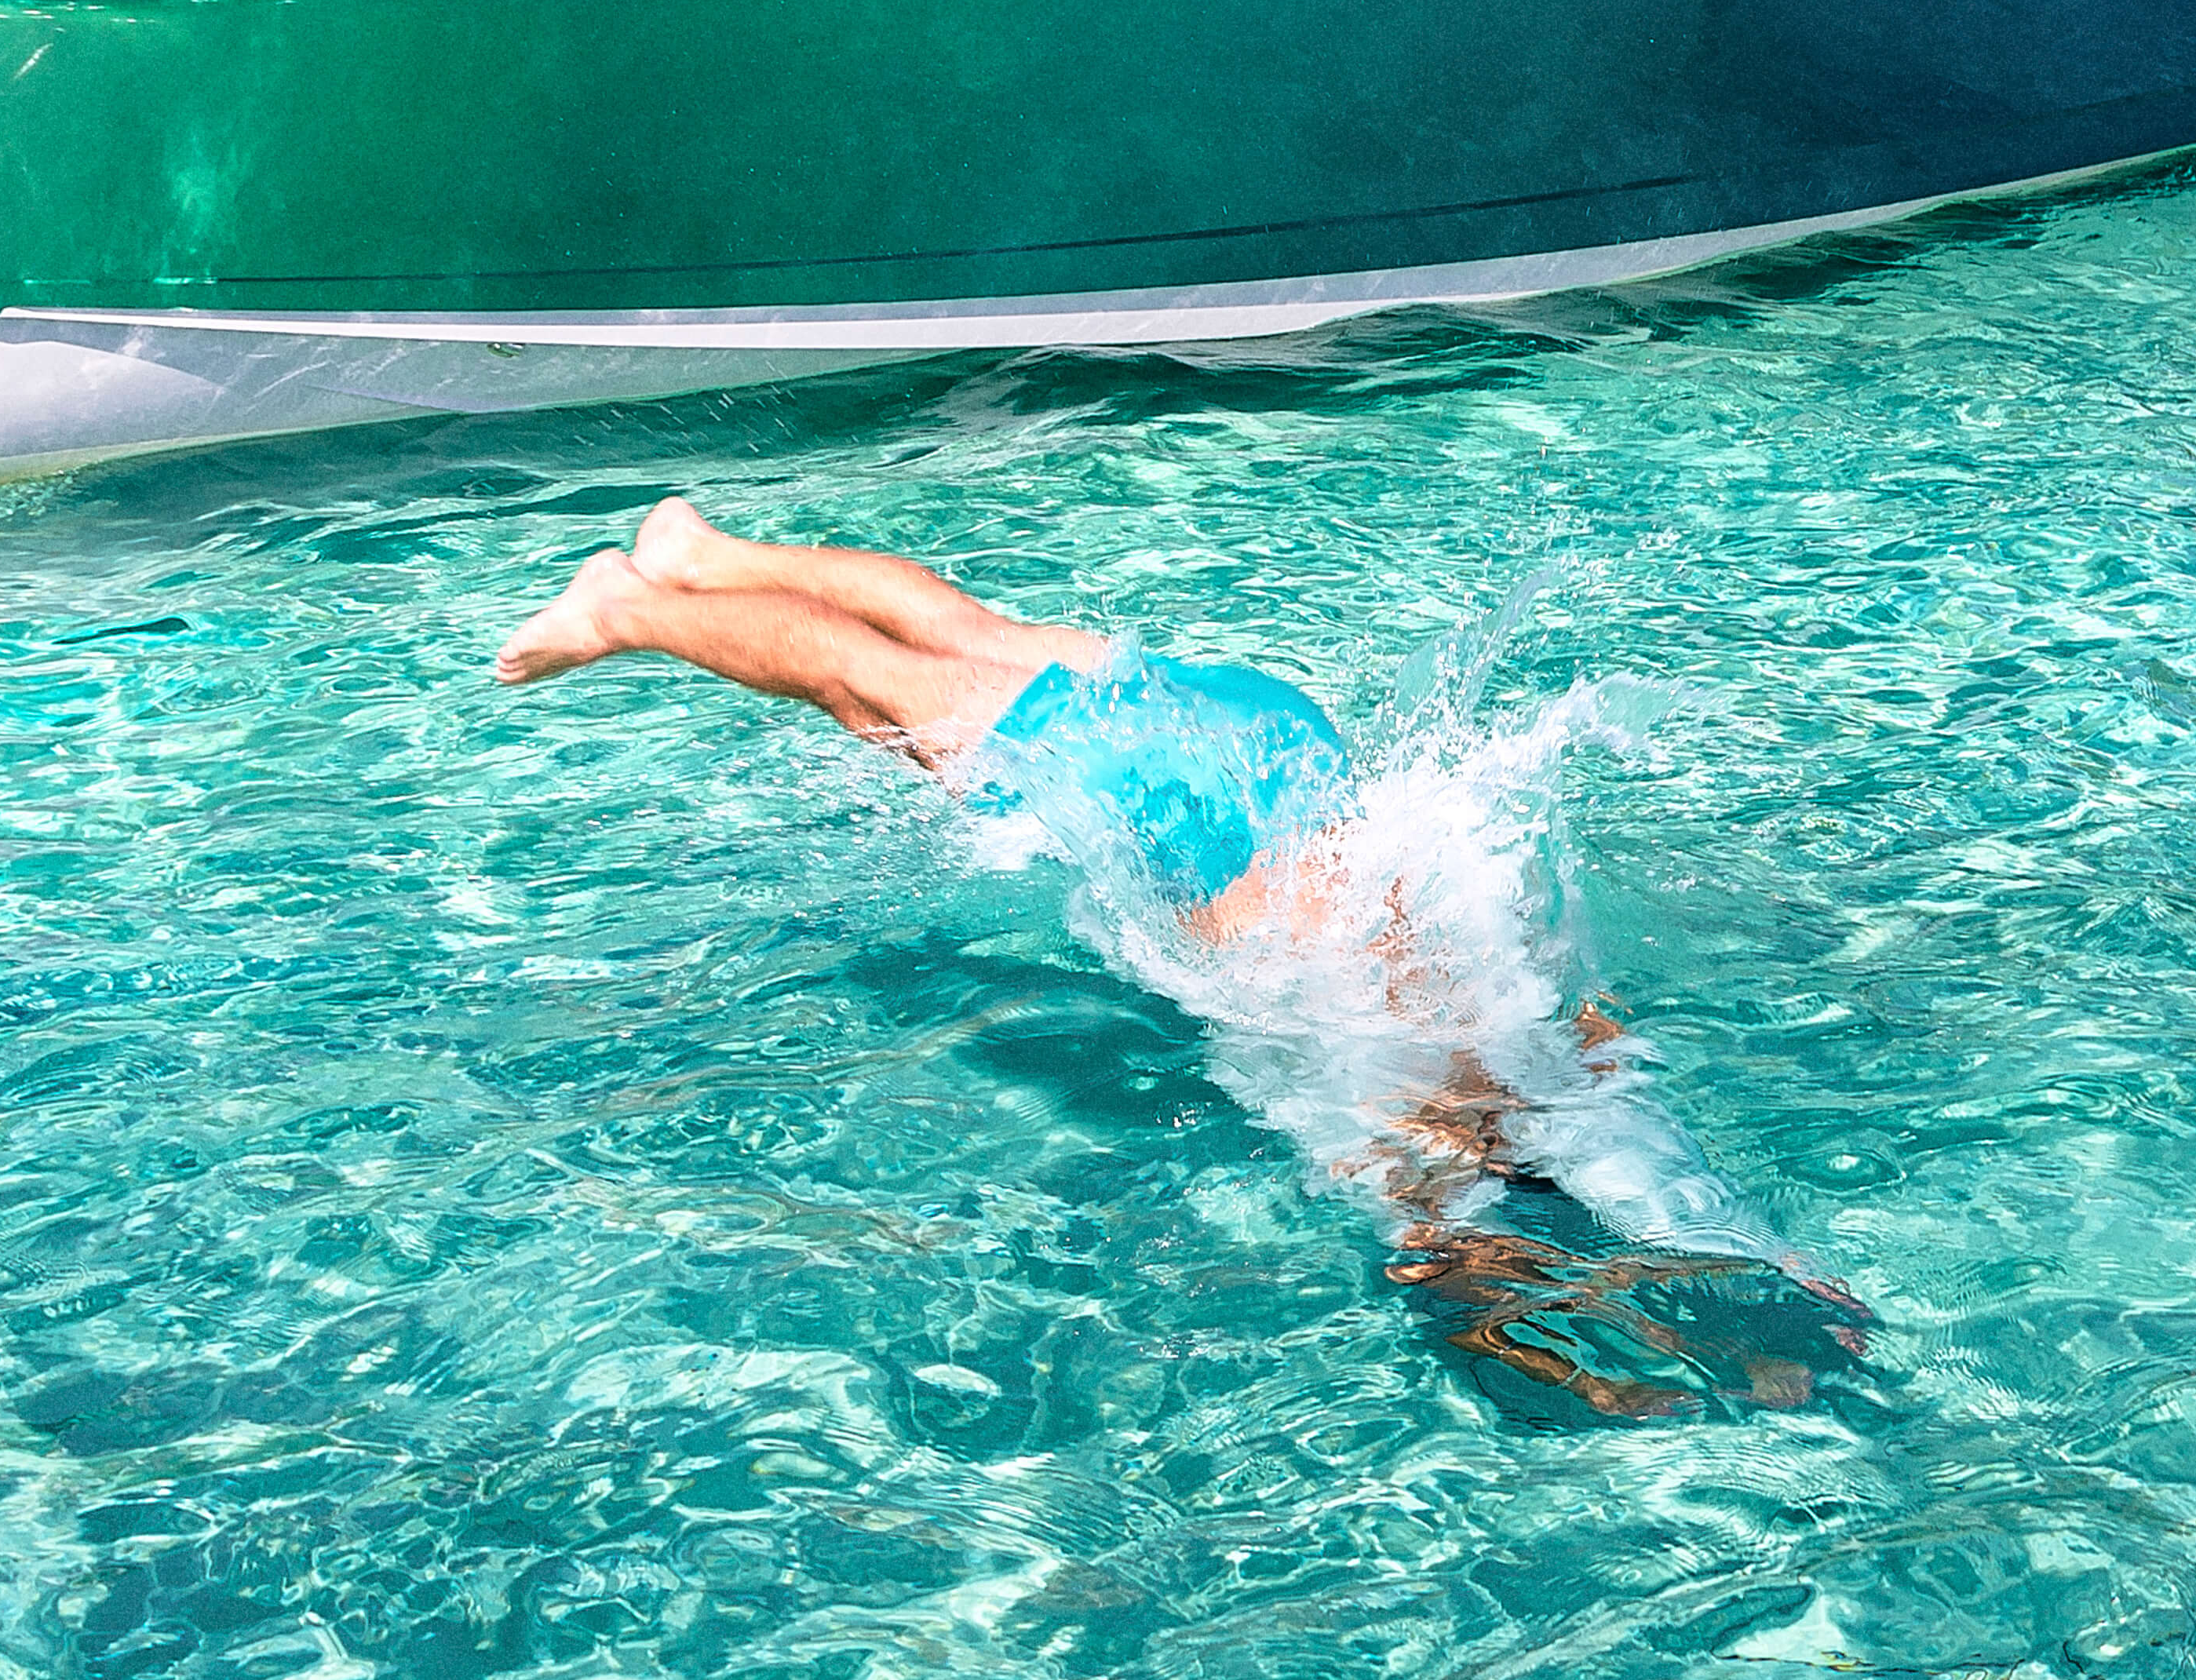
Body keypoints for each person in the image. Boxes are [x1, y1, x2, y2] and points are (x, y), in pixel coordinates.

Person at [495, 502, 1859, 1419]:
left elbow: (1667, 1187)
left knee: (977, 636)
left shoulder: (1551, 1035)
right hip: (1194, 827)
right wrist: (1638, 1384)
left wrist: (1776, 1276)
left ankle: (703, 549)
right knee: (887, 695)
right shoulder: (1388, 1124)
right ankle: (633, 606)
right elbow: (1455, 1280)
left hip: (1286, 747)